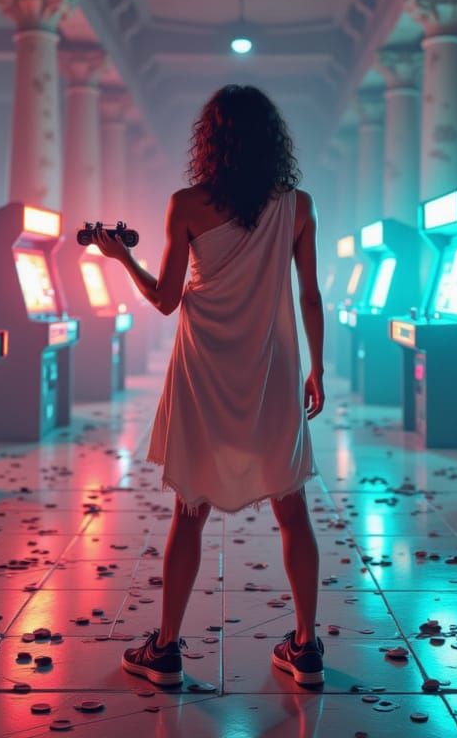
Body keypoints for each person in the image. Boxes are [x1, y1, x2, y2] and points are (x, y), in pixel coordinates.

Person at [94, 84, 327, 689]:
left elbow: (166, 300)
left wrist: (121, 258)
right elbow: (309, 296)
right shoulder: (298, 206)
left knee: (189, 510)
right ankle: (305, 647)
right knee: (292, 507)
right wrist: (317, 368)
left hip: (205, 370)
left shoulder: (187, 204)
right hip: (272, 371)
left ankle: (166, 649)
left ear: (211, 141)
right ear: (273, 142)